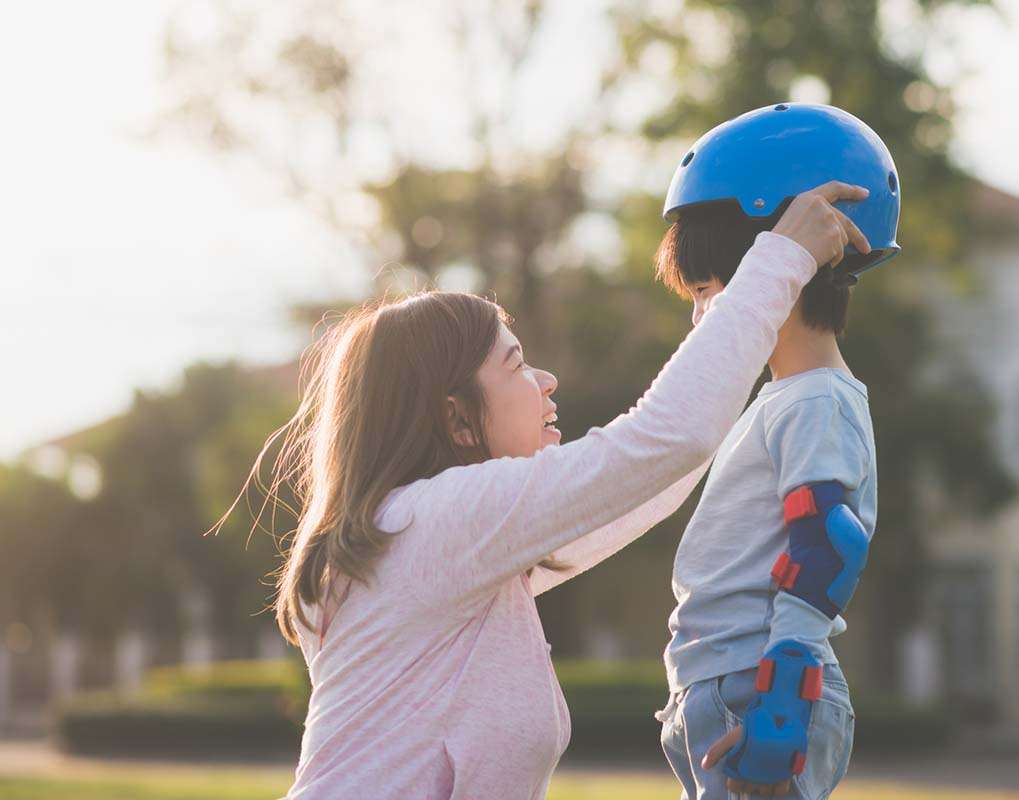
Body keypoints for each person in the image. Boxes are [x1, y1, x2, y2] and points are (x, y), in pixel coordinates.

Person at [216, 180, 869, 799]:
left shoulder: (438, 551)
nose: (548, 379)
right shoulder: (437, 524)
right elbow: (661, 445)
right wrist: (779, 260)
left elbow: (649, 479)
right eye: (517, 364)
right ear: (456, 417)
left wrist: (733, 334)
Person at [653, 104, 902, 799]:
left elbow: (827, 544)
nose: (701, 316)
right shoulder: (784, 400)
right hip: (730, 687)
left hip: (761, 691)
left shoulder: (815, 401)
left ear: (785, 266)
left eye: (706, 289)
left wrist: (784, 704)